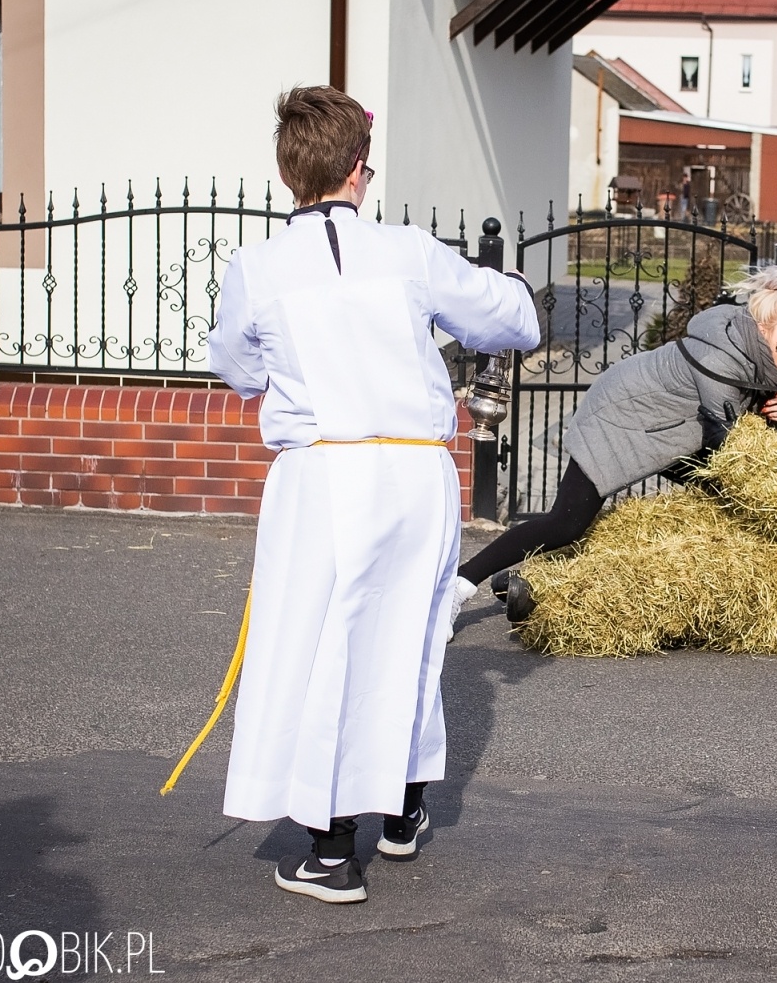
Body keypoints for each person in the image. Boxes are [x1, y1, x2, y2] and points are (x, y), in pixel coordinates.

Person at [208, 85, 540, 903]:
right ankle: (401, 811)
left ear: (291, 172)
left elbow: (238, 368)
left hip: (322, 470)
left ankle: (327, 847)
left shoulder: (255, 269)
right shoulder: (409, 251)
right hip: (412, 468)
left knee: (323, 646)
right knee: (411, 637)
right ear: (360, 169)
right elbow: (515, 321)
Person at [453, 265, 777, 623]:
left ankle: (519, 580)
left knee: (720, 499)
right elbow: (729, 437)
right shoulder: (720, 354)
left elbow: (754, 421)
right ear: (764, 327)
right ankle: (460, 584)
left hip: (666, 429)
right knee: (566, 523)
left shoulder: (758, 355)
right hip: (616, 417)